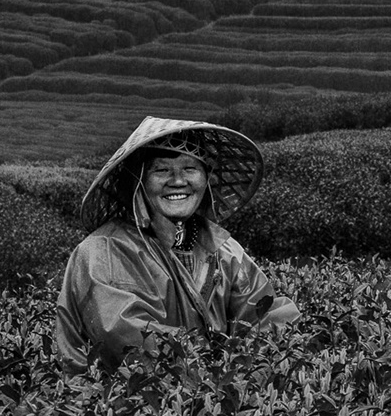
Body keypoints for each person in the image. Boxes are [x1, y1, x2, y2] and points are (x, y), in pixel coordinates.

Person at [56, 116, 299, 370]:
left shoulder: (223, 250)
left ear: (206, 178)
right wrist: (217, 364)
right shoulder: (103, 251)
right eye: (161, 170)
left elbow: (266, 314)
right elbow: (127, 338)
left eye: (190, 169)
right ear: (139, 181)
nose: (178, 181)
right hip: (112, 401)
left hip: (204, 397)